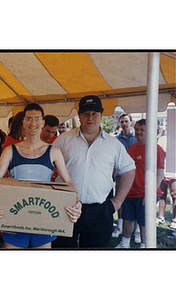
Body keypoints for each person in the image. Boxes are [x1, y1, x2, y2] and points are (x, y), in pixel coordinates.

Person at [0, 103, 81, 249]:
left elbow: (68, 181)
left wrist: (77, 203)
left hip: (43, 217)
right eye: (29, 119)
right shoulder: (11, 150)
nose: (33, 123)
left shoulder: (53, 151)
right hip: (15, 216)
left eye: (37, 119)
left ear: (43, 122)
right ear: (23, 122)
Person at [52, 95, 136, 248]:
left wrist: (117, 202)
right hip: (65, 207)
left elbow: (129, 170)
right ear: (79, 116)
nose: (90, 117)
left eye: (94, 113)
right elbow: (47, 166)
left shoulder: (113, 144)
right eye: (85, 113)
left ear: (101, 116)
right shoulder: (63, 140)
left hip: (100, 211)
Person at [115, 119, 165, 248]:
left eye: (142, 130)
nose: (138, 132)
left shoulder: (156, 149)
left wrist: (151, 193)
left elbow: (160, 173)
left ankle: (144, 246)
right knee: (127, 219)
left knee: (144, 223)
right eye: (137, 129)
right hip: (130, 192)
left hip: (145, 193)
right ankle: (125, 244)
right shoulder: (132, 147)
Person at [111, 113, 139, 242]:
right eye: (122, 122)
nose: (124, 124)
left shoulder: (137, 137)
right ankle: (120, 227)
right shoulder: (116, 139)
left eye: (126, 121)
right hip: (120, 175)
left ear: (131, 122)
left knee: (138, 201)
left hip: (137, 175)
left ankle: (137, 230)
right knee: (120, 199)